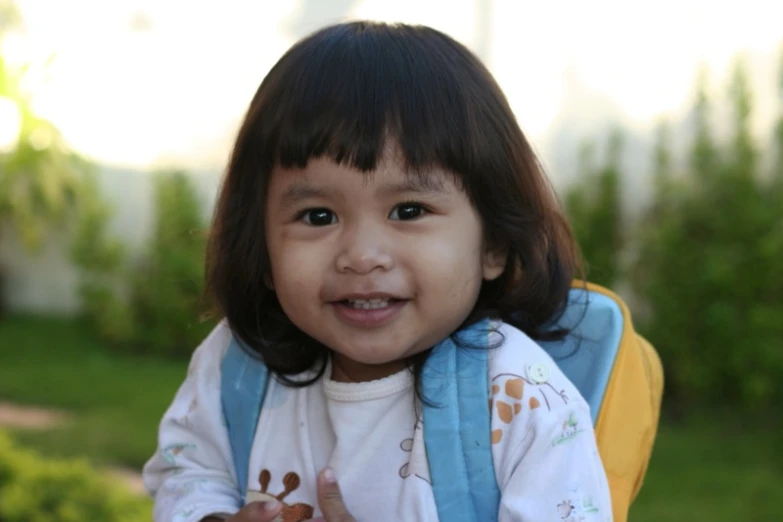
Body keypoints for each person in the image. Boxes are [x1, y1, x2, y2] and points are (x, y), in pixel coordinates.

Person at [142, 20, 613, 522]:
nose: (362, 255)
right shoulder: (239, 364)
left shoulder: (519, 398)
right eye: (318, 216)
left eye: (408, 210)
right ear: (261, 247)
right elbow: (185, 472)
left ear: (492, 243)